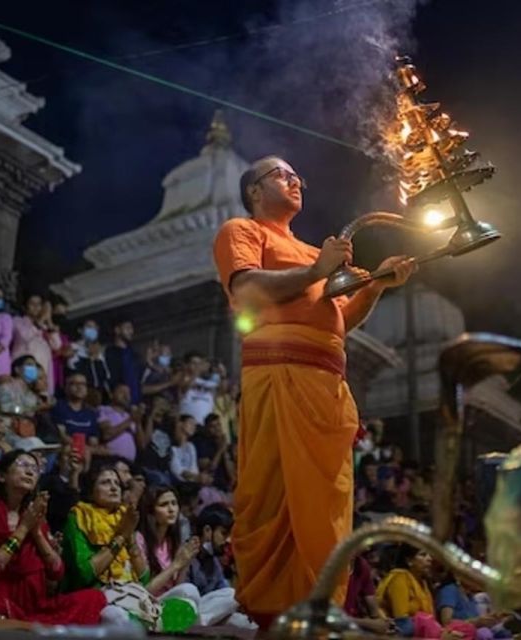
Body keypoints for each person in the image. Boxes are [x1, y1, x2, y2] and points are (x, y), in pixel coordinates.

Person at [212, 155, 416, 622]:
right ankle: (275, 612)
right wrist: (316, 271)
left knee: (327, 507)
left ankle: (318, 608)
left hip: (326, 384)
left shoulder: (310, 251)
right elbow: (245, 292)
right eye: (282, 174)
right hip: (278, 375)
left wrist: (377, 286)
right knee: (275, 500)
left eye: (297, 173)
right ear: (255, 192)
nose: (295, 179)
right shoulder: (242, 232)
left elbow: (338, 321)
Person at [0, 449, 107, 623]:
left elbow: (57, 572)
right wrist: (24, 528)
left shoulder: (35, 516)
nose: (30, 471)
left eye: (34, 468)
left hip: (35, 604)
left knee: (95, 598)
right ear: (2, 476)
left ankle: (26, 623)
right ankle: (30, 623)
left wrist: (37, 532)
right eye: (23, 465)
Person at [61, 462, 198, 631]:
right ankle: (153, 623)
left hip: (133, 593)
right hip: (101, 596)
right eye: (105, 483)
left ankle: (147, 623)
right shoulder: (79, 517)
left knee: (189, 593)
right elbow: (84, 573)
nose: (114, 488)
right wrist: (121, 537)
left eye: (116, 483)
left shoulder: (125, 516)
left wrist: (130, 539)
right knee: (114, 615)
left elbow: (144, 579)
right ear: (90, 491)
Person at [11, 293, 62, 396]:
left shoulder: (44, 326)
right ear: (24, 307)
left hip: (42, 371)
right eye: (32, 304)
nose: (36, 307)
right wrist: (41, 320)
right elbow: (25, 337)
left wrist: (49, 321)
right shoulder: (17, 321)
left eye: (39, 304)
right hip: (24, 369)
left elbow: (57, 345)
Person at [51, 372, 102, 454]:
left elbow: (93, 441)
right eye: (75, 384)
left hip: (88, 452)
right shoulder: (59, 407)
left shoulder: (91, 413)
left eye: (83, 384)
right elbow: (63, 436)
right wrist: (83, 448)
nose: (80, 387)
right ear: (66, 388)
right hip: (67, 450)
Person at [189, 503, 232, 596]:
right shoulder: (187, 556)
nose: (228, 540)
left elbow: (224, 588)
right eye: (224, 533)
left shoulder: (213, 560)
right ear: (207, 530)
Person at [98, 383, 144, 463]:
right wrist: (131, 420)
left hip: (129, 463)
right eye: (122, 392)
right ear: (111, 395)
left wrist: (138, 421)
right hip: (111, 460)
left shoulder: (129, 415)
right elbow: (106, 435)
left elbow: (142, 445)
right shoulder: (103, 410)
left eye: (128, 393)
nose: (126, 396)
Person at [105, 319, 141, 405]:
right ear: (117, 330)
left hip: (137, 404)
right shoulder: (109, 353)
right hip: (120, 403)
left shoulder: (134, 354)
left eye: (132, 328)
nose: (131, 331)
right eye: (127, 328)